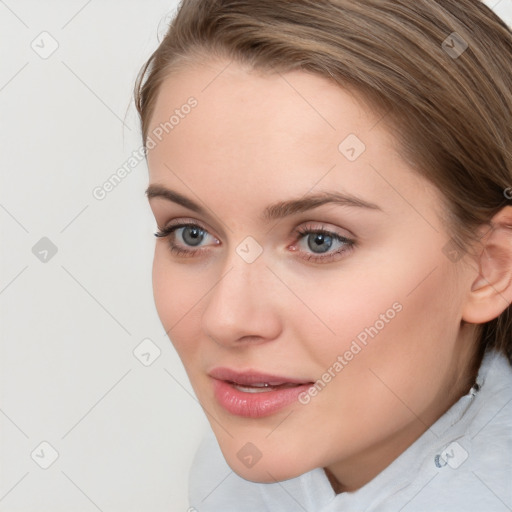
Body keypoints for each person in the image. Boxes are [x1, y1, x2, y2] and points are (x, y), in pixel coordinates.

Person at [134, 0, 512, 510]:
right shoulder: (231, 480)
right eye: (191, 234)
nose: (226, 320)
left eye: (320, 240)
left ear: (490, 267)